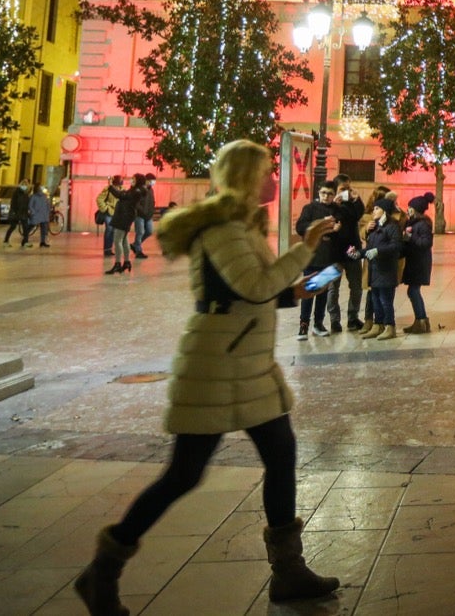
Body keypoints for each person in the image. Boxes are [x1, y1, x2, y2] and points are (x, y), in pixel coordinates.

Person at [73, 139, 340, 615]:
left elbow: (251, 293)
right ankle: (103, 570)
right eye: (264, 172)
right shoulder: (222, 230)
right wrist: (306, 249)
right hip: (216, 364)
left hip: (247, 366)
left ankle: (289, 572)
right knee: (183, 474)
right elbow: (255, 286)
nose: (272, 178)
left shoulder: (240, 226)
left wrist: (299, 289)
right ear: (244, 177)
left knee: (282, 455)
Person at [294, 182, 339, 340]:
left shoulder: (336, 210)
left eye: (330, 194)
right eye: (323, 193)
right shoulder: (310, 208)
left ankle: (318, 324)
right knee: (309, 291)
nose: (326, 196)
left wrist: (335, 230)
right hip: (312, 258)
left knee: (323, 293)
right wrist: (319, 227)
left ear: (334, 195)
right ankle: (303, 325)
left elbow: (341, 232)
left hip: (328, 259)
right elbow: (300, 227)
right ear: (319, 193)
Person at [361, 195, 404, 341]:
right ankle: (377, 325)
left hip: (386, 269)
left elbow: (397, 246)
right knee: (375, 299)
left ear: (384, 211)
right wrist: (356, 253)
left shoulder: (392, 226)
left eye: (377, 208)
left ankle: (389, 326)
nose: (373, 211)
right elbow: (369, 247)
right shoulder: (375, 226)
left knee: (385, 300)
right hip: (374, 269)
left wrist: (379, 251)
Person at [352, 186, 393, 335]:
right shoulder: (367, 217)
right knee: (371, 291)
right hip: (371, 260)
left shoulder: (393, 217)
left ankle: (383, 322)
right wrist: (366, 229)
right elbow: (362, 234)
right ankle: (369, 320)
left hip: (385, 260)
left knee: (384, 293)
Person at [329, 175, 365, 333]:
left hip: (352, 250)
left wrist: (356, 199)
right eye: (343, 189)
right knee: (333, 288)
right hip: (334, 252)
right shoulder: (330, 205)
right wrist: (334, 205)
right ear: (335, 190)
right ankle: (334, 320)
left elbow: (358, 214)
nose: (346, 192)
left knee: (356, 286)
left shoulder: (352, 204)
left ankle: (352, 318)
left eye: (348, 189)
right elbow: (338, 217)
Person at [401, 193, 436, 334]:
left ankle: (421, 321)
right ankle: (421, 321)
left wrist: (410, 237)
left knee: (413, 291)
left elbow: (426, 243)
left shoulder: (422, 225)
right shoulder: (414, 223)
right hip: (415, 261)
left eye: (410, 207)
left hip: (420, 263)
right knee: (413, 291)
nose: (408, 209)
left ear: (415, 209)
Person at [106, 175, 142, 275]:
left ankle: (118, 263)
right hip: (124, 216)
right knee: (125, 240)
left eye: (134, 179)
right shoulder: (134, 190)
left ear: (138, 181)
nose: (132, 181)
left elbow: (121, 195)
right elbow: (123, 194)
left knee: (117, 240)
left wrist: (110, 186)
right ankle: (126, 262)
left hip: (124, 218)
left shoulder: (136, 192)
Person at [131, 174, 156, 259]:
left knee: (149, 231)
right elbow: (136, 202)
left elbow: (152, 201)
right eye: (152, 181)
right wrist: (142, 210)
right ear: (147, 181)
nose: (153, 183)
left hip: (148, 215)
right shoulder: (140, 189)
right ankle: (138, 251)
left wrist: (151, 211)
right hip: (140, 215)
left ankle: (135, 244)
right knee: (140, 232)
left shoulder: (151, 190)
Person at [97, 177, 121, 257]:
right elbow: (99, 199)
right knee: (109, 230)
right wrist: (105, 208)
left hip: (117, 213)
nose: (117, 187)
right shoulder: (108, 189)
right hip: (109, 212)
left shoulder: (122, 190)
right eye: (116, 185)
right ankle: (107, 249)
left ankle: (110, 249)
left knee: (114, 231)